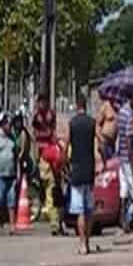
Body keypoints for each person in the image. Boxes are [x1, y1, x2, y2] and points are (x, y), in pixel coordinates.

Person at [66, 92, 100, 256]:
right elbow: (100, 141)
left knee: (80, 210)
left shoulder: (72, 123)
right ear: (85, 105)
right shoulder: (92, 123)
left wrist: (65, 163)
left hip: (77, 170)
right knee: (89, 210)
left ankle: (82, 245)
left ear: (76, 106)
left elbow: (65, 146)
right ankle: (88, 240)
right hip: (89, 170)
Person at [32, 92, 66, 235]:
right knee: (49, 189)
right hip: (43, 154)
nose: (42, 105)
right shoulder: (37, 116)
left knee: (54, 190)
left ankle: (56, 222)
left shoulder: (50, 114)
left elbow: (51, 131)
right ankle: (54, 222)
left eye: (44, 102)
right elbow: (36, 133)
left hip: (50, 154)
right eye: (40, 102)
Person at [0, 113, 19, 235]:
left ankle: (12, 226)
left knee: (11, 201)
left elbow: (16, 156)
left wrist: (18, 172)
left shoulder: (12, 137)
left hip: (11, 174)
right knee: (1, 200)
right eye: (7, 124)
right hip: (0, 174)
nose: (9, 126)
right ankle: (2, 224)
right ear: (2, 124)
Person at [115, 96, 133, 233]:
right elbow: (128, 139)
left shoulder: (121, 112)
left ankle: (123, 222)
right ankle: (131, 220)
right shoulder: (129, 114)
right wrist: (132, 159)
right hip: (127, 158)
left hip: (120, 157)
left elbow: (119, 135)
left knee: (124, 190)